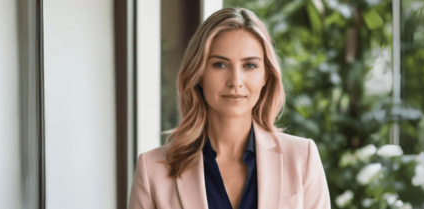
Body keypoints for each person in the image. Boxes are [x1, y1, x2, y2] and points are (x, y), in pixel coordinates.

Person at [128, 7, 331, 209]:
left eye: (249, 65)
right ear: (199, 74)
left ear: (266, 76)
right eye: (220, 65)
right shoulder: (152, 170)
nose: (236, 81)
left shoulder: (302, 158)